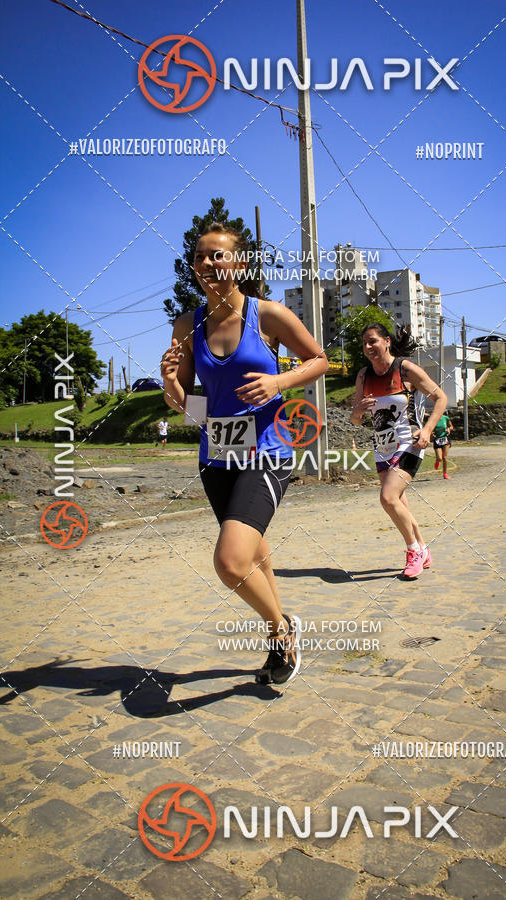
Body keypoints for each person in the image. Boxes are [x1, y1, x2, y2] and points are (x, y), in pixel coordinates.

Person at [160, 222, 328, 685]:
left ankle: (281, 629)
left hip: (268, 451)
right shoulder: (186, 324)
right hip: (217, 456)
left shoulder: (266, 315)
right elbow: (187, 403)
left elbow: (320, 360)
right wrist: (170, 380)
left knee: (230, 561)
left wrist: (278, 382)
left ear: (240, 263)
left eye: (218, 255)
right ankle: (281, 647)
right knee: (256, 557)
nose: (208, 263)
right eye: (200, 257)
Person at [350, 323, 447, 579]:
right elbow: (356, 420)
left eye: (373, 341)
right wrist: (359, 409)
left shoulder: (405, 369)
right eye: (365, 343)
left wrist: (427, 430)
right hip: (381, 446)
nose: (368, 347)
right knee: (399, 504)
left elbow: (441, 398)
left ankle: (412, 551)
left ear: (387, 342)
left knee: (388, 498)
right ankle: (424, 549)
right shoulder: (363, 375)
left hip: (409, 443)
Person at [433, 411, 453, 479]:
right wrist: (432, 433)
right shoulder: (433, 419)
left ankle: (445, 473)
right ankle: (437, 461)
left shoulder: (445, 418)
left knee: (444, 457)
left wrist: (449, 429)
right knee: (439, 458)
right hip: (437, 439)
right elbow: (429, 429)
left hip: (445, 438)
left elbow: (451, 426)